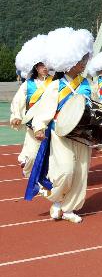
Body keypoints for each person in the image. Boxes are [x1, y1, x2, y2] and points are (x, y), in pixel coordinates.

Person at [27, 27, 102, 223]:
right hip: (61, 133)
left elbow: (97, 105)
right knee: (66, 170)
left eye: (86, 58)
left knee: (80, 172)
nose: (85, 62)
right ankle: (57, 199)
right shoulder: (55, 85)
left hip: (83, 133)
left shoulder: (87, 83)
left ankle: (69, 208)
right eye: (82, 59)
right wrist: (39, 127)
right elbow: (45, 109)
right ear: (70, 61)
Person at [10, 34, 52, 178]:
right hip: (33, 123)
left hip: (51, 122)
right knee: (33, 154)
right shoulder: (28, 84)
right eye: (41, 65)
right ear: (36, 67)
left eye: (46, 64)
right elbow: (18, 101)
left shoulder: (54, 82)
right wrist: (16, 115)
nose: (45, 67)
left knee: (51, 155)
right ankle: (28, 171)